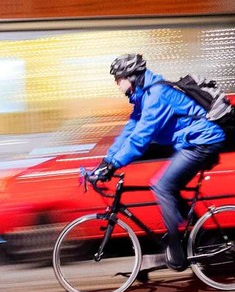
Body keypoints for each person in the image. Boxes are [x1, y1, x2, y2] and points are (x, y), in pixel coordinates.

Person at [92, 53, 225, 273]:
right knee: (168, 187)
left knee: (162, 185)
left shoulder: (157, 95)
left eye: (118, 78)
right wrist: (106, 161)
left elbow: (141, 138)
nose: (116, 83)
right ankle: (201, 237)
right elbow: (129, 132)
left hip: (204, 140)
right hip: (190, 142)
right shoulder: (143, 96)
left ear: (132, 76)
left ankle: (175, 248)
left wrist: (114, 164)